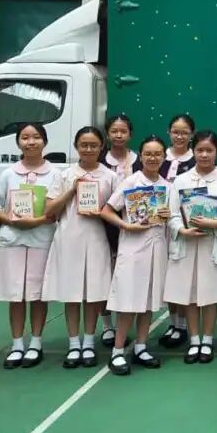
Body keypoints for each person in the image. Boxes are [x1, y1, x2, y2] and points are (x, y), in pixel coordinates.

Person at [42, 127, 117, 368]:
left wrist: (101, 211)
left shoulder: (110, 176)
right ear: (76, 146)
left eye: (93, 145)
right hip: (68, 239)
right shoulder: (64, 175)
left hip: (96, 239)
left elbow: (117, 209)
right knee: (72, 294)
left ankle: (89, 342)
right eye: (84, 145)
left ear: (101, 147)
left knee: (93, 294)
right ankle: (74, 344)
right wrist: (72, 190)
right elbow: (49, 210)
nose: (88, 149)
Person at [0, 123, 61, 369]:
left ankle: (36, 343)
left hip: (42, 239)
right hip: (12, 240)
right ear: (18, 142)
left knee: (38, 295)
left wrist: (38, 221)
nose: (31, 142)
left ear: (45, 141)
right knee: (15, 295)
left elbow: (56, 209)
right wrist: (9, 220)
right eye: (25, 137)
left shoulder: (55, 174)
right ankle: (17, 344)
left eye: (36, 137)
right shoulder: (8, 174)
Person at [165, 130, 217, 364]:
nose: (204, 155)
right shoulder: (181, 180)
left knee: (210, 295)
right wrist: (182, 230)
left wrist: (213, 223)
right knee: (190, 295)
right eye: (200, 150)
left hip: (212, 245)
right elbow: (172, 214)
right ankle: (194, 340)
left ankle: (207, 341)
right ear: (193, 151)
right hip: (188, 244)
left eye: (209, 150)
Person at [101, 136, 173, 375]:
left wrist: (167, 214)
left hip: (157, 248)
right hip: (132, 249)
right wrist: (126, 225)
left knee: (148, 301)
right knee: (128, 303)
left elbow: (171, 218)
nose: (153, 158)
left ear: (163, 157)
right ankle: (117, 351)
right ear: (140, 156)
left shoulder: (167, 186)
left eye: (157, 154)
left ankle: (141, 346)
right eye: (148, 154)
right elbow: (106, 210)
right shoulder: (130, 182)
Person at [98, 113, 138, 345]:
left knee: (131, 278)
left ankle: (132, 325)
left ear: (130, 134)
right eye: (114, 131)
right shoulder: (99, 160)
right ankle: (107, 326)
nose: (119, 135)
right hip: (104, 225)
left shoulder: (141, 160)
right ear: (107, 134)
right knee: (106, 275)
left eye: (123, 131)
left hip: (136, 228)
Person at [158, 114, 197, 349]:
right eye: (175, 131)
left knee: (181, 274)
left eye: (184, 132)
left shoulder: (195, 161)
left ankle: (182, 325)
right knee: (166, 276)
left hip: (184, 226)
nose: (179, 136)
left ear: (191, 134)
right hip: (156, 225)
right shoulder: (158, 156)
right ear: (169, 132)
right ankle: (173, 323)